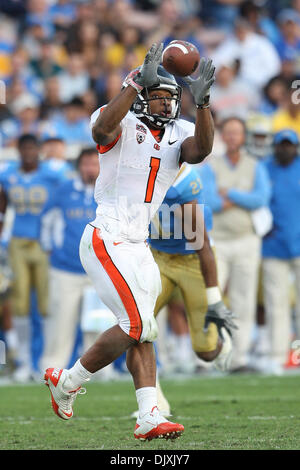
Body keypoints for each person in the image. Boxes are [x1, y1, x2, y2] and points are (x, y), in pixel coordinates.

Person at [44, 43, 215, 441]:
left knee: (145, 329)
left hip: (138, 243)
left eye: (171, 98)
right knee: (137, 323)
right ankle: (68, 382)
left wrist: (203, 103)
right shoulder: (121, 121)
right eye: (157, 96)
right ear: (140, 96)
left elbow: (201, 150)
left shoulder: (180, 131)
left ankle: (148, 415)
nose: (165, 104)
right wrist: (134, 81)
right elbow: (102, 129)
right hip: (107, 235)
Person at [133, 163, 237, 417]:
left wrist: (215, 300)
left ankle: (221, 344)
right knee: (135, 327)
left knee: (206, 350)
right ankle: (153, 404)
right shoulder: (138, 173)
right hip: (158, 256)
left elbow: (203, 247)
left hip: (192, 260)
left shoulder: (183, 186)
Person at [199, 117, 271, 372]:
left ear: (243, 137)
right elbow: (208, 202)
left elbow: (261, 199)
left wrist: (229, 193)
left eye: (236, 133)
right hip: (218, 239)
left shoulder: (255, 165)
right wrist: (241, 198)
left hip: (247, 240)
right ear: (223, 136)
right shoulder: (211, 165)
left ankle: (239, 358)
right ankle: (206, 355)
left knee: (244, 299)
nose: (232, 137)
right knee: (210, 297)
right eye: (228, 132)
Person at [0, 134, 64, 382]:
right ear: (19, 150)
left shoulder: (53, 174)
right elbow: (3, 205)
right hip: (17, 242)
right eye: (24, 147)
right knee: (20, 303)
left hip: (43, 244)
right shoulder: (8, 175)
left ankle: (46, 360)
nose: (28, 152)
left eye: (32, 147)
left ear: (39, 150)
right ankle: (25, 360)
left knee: (46, 304)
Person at [40, 148, 99, 371]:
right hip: (65, 269)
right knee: (61, 321)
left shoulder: (109, 192)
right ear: (79, 167)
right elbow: (46, 221)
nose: (90, 169)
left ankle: (98, 369)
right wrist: (50, 250)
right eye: (86, 164)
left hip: (98, 270)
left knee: (98, 323)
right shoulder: (63, 191)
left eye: (95, 164)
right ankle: (51, 368)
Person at [262, 129, 300, 375]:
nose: (285, 149)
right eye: (282, 145)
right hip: (273, 245)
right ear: (275, 146)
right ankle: (277, 355)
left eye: (290, 145)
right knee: (276, 304)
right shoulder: (264, 169)